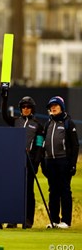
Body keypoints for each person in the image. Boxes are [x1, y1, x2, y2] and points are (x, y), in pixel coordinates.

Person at [0, 88, 44, 228]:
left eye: (28, 107)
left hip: (29, 161)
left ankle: (28, 220)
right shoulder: (15, 121)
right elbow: (3, 115)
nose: (25, 109)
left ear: (32, 109)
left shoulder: (37, 125)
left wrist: (36, 163)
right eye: (23, 107)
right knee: (14, 190)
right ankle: (12, 219)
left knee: (28, 192)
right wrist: (4, 98)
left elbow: (39, 145)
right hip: (15, 161)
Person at [42, 96, 79, 229]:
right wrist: (43, 163)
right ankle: (54, 221)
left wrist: (73, 163)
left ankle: (66, 221)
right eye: (51, 106)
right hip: (50, 161)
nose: (53, 108)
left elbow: (75, 146)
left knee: (64, 190)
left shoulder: (68, 123)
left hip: (64, 161)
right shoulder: (48, 124)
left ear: (61, 107)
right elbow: (43, 144)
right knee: (53, 191)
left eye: (56, 105)